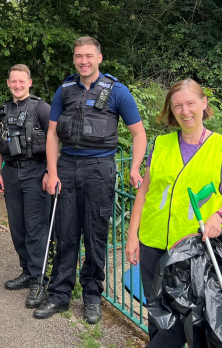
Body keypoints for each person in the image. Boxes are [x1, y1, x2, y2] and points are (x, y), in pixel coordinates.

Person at [34, 36, 148, 325]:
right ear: (74, 59)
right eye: (78, 56)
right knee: (66, 233)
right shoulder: (65, 90)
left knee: (96, 234)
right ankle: (59, 294)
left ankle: (92, 297)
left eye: (88, 56)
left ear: (99, 57)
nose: (83, 61)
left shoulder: (118, 92)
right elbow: (51, 135)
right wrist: (53, 171)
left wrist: (135, 168)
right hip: (67, 166)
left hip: (99, 169)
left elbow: (139, 134)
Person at [124, 79, 222, 345]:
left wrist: (217, 217)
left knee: (184, 323)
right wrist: (133, 235)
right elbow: (144, 192)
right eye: (177, 105)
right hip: (153, 243)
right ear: (170, 109)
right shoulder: (161, 144)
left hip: (192, 251)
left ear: (204, 104)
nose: (184, 111)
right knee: (157, 316)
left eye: (190, 103)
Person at [0, 64, 52, 308]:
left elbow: (54, 141)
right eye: (13, 81)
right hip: (11, 174)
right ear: (8, 83)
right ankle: (27, 271)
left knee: (35, 227)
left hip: (36, 173)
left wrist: (50, 172)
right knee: (17, 227)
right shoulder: (3, 110)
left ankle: (39, 279)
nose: (17, 85)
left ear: (30, 82)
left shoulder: (41, 108)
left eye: (22, 81)